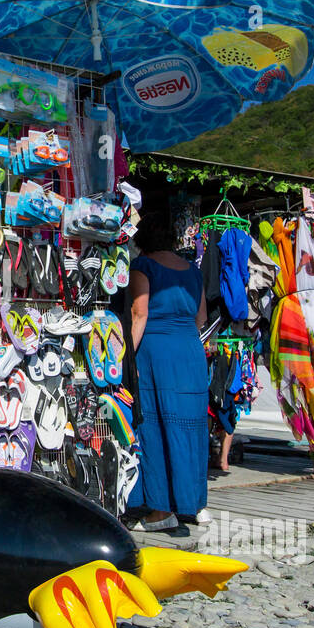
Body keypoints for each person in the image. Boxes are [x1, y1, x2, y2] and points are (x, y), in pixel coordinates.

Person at [126, 210, 208, 533]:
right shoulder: (192, 270)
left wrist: (125, 360)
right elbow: (200, 319)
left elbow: (139, 314)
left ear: (142, 239)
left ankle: (160, 512)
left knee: (154, 428)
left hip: (156, 356)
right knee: (189, 430)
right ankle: (192, 504)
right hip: (190, 353)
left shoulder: (142, 266)